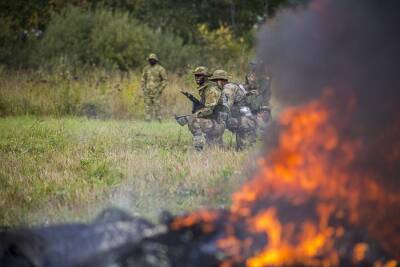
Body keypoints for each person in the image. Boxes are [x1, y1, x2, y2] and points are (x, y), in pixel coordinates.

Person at [210, 69, 257, 150]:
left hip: (244, 122)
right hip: (246, 121)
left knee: (213, 124)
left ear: (221, 81)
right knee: (243, 150)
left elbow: (226, 109)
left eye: (215, 81)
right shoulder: (230, 87)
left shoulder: (228, 88)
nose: (215, 84)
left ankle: (216, 148)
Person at [185, 66, 226, 151]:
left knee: (193, 121)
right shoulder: (206, 88)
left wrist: (194, 115)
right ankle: (215, 144)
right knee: (214, 148)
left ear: (206, 76)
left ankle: (198, 148)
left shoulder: (211, 89)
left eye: (200, 75)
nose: (197, 78)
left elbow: (209, 109)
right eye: (196, 75)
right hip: (215, 120)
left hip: (218, 123)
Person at [244, 60, 272, 128]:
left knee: (265, 120)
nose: (253, 67)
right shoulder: (249, 75)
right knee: (252, 118)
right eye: (252, 65)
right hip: (252, 101)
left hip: (263, 102)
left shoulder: (265, 77)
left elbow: (261, 90)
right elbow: (246, 86)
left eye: (255, 65)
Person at [140, 53, 168, 121]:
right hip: (147, 91)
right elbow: (143, 79)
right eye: (150, 59)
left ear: (156, 60)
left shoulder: (160, 69)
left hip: (156, 92)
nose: (151, 61)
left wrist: (160, 89)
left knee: (157, 107)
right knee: (147, 106)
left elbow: (165, 80)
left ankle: (159, 120)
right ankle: (147, 120)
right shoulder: (146, 69)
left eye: (153, 59)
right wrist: (144, 88)